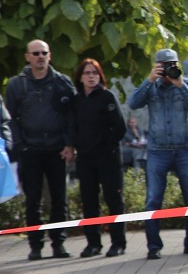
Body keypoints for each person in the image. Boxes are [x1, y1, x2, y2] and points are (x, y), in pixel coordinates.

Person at [129, 48, 188, 259]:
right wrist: (149, 80)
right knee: (153, 199)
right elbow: (133, 103)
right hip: (157, 150)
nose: (168, 69)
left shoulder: (187, 85)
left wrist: (180, 84)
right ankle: (153, 246)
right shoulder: (151, 87)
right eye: (164, 65)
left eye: (172, 65)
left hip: (184, 148)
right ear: (156, 66)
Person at [5, 39, 77, 260]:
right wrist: (21, 146)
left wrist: (69, 144)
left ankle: (59, 245)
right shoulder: (18, 84)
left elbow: (73, 116)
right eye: (35, 53)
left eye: (43, 53)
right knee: (32, 201)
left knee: (59, 200)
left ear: (50, 55)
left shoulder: (62, 83)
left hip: (58, 150)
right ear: (27, 57)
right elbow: (9, 119)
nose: (40, 56)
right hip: (31, 150)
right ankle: (35, 246)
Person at [70, 59, 127, 258]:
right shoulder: (76, 100)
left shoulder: (106, 97)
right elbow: (72, 127)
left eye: (94, 72)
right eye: (87, 73)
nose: (91, 76)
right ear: (81, 77)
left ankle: (118, 243)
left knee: (113, 200)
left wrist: (107, 146)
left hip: (107, 157)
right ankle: (93, 244)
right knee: (89, 202)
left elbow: (120, 127)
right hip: (85, 158)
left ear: (100, 76)